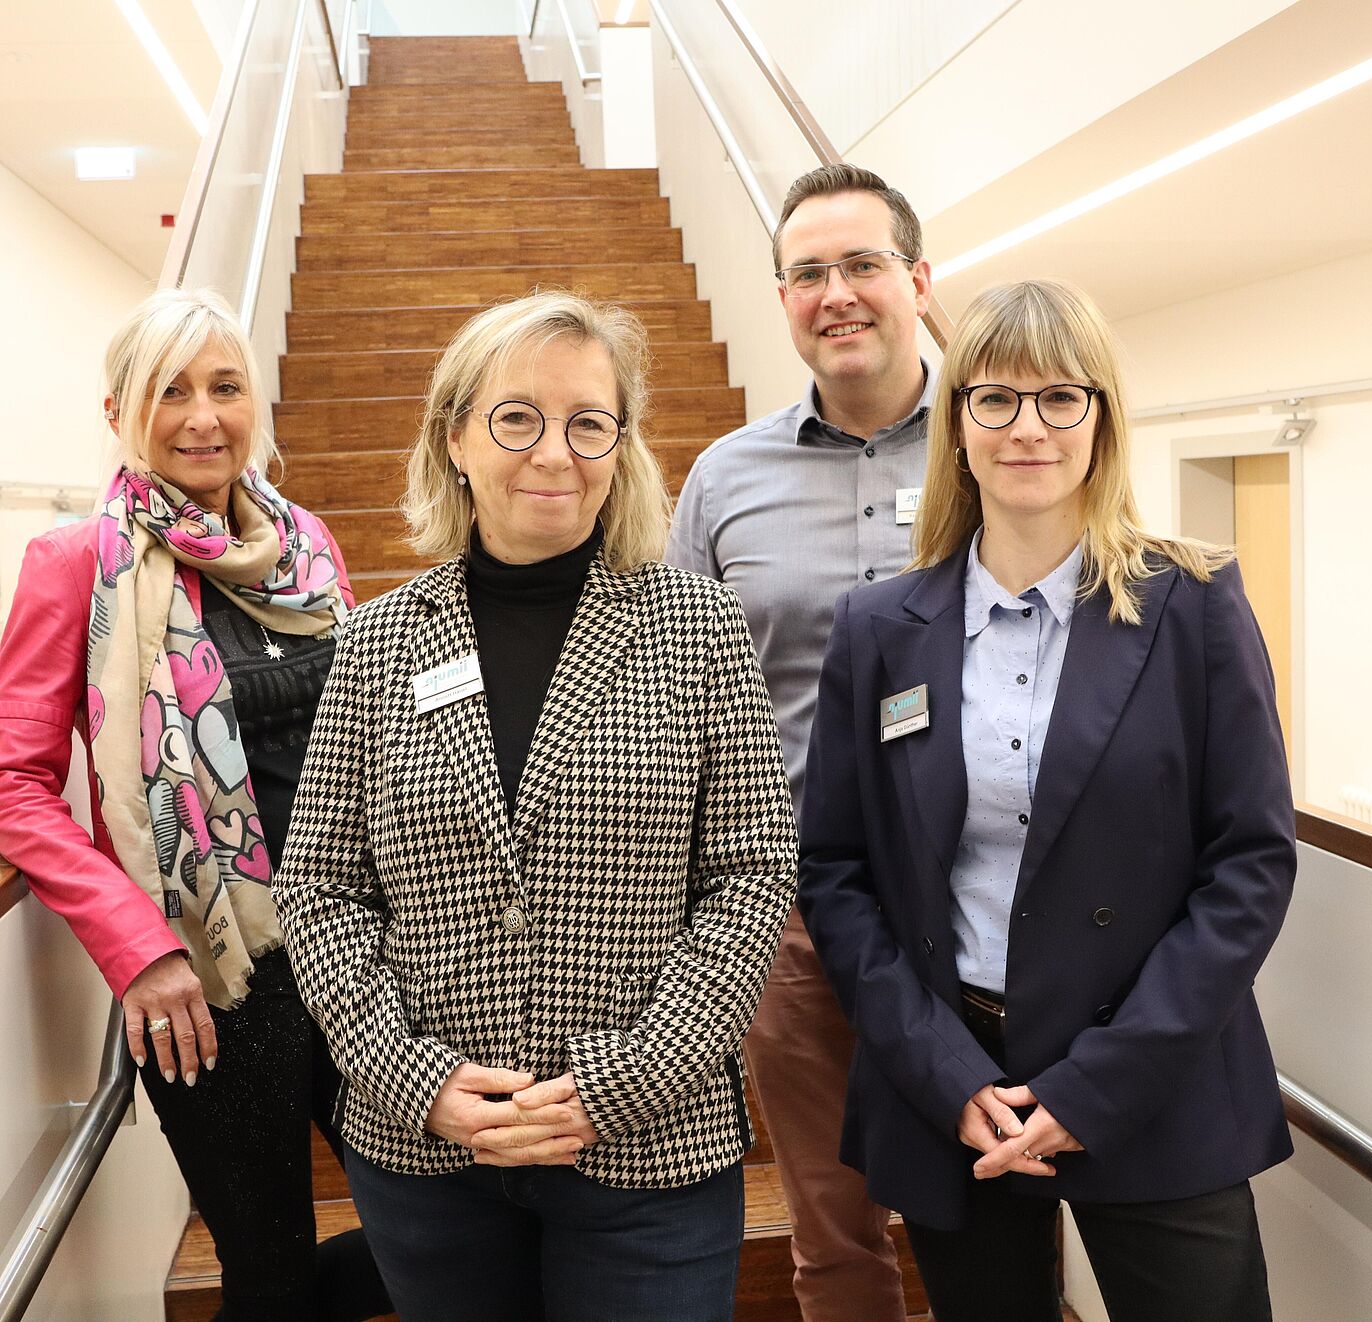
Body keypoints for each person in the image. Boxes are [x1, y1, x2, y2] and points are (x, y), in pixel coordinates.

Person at [273, 289, 796, 1322]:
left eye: (587, 421)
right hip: (426, 1150)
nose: (553, 450)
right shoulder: (379, 641)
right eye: (517, 416)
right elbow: (319, 885)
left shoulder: (696, 624)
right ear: (457, 436)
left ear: (620, 445)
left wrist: (619, 1082)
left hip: (650, 1148)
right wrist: (413, 1076)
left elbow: (751, 873)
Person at [796, 278, 1296, 1322]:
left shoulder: (1193, 604)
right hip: (957, 1084)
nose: (1028, 427)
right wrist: (936, 1068)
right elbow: (838, 875)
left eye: (1059, 398)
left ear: (1100, 420)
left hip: (1151, 1072)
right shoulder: (879, 627)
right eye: (995, 400)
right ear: (957, 425)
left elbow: (1248, 862)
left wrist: (1097, 1081)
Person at [0, 288, 391, 1321]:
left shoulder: (304, 547)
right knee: (269, 1275)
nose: (203, 416)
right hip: (214, 982)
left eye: (225, 386)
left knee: (446, 1230)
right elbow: (14, 782)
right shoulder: (76, 563)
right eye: (170, 390)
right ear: (119, 408)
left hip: (365, 946)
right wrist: (138, 944)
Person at [666, 162, 933, 1322]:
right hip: (793, 907)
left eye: (862, 264)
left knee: (996, 1200)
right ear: (782, 296)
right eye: (808, 272)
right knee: (830, 1222)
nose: (837, 293)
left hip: (976, 894)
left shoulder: (1002, 446)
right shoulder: (727, 476)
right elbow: (674, 691)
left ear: (919, 279)